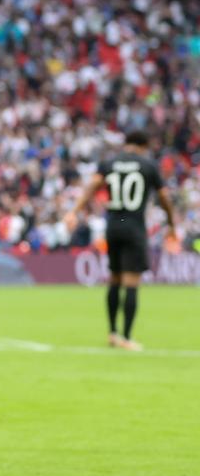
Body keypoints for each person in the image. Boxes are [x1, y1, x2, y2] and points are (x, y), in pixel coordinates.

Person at [64, 130, 178, 351]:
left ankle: (112, 332)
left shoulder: (110, 163)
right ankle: (126, 337)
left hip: (114, 225)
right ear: (143, 146)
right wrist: (172, 224)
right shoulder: (148, 165)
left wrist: (74, 211)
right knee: (132, 283)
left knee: (114, 279)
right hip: (134, 226)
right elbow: (164, 196)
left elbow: (91, 187)